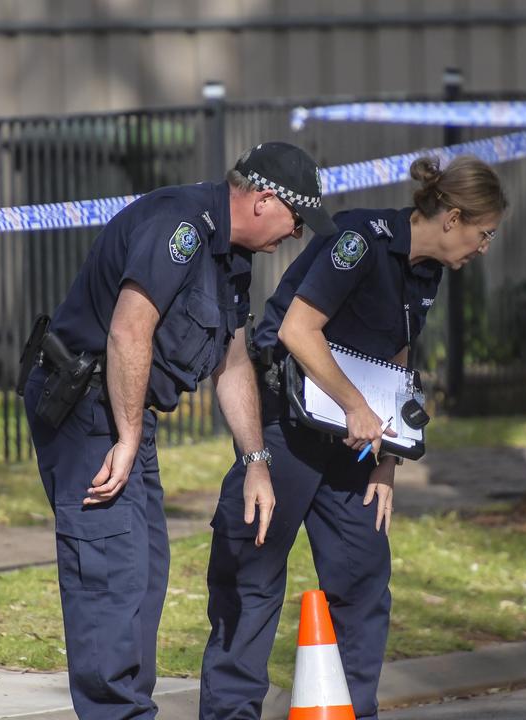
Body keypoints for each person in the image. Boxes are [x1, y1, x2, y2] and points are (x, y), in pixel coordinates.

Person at [21, 141, 340, 720]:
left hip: (120, 415)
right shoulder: (181, 227)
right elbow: (128, 332)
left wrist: (256, 462)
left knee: (144, 576)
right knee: (111, 580)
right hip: (87, 412)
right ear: (265, 200)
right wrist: (126, 437)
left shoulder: (230, 256)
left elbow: (233, 361)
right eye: (297, 220)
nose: (296, 236)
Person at [199, 155, 508, 720]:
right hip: (287, 430)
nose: (484, 247)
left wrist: (386, 460)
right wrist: (356, 406)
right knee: (252, 578)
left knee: (364, 581)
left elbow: (395, 354)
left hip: (352, 445)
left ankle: (347, 710)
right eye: (483, 233)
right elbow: (297, 329)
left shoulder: (426, 270)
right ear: (452, 217)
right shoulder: (361, 239)